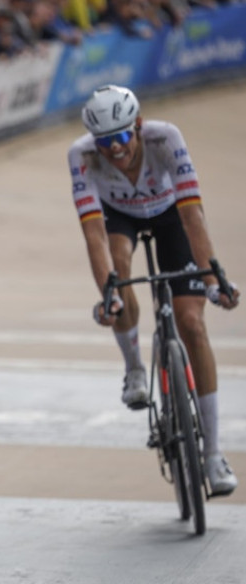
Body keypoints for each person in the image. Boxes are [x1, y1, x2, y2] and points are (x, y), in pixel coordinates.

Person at [68, 84, 240, 495]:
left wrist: (214, 281)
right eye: (105, 141)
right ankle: (134, 369)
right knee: (120, 269)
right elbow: (94, 236)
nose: (114, 149)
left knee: (192, 325)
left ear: (139, 126)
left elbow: (194, 217)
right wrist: (109, 294)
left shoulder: (167, 138)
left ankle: (214, 456)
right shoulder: (82, 155)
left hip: (170, 215)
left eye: (123, 136)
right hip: (119, 218)